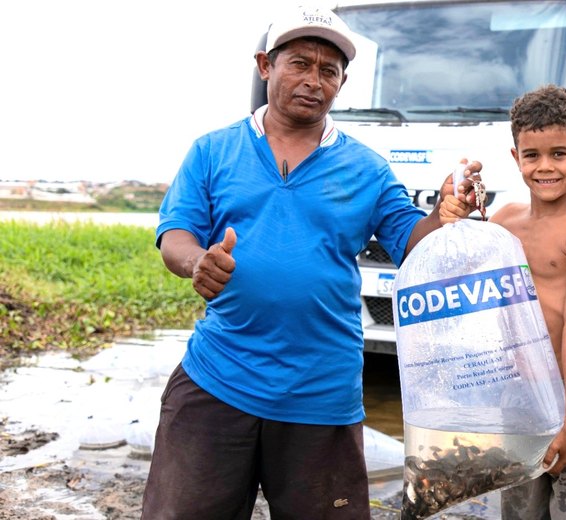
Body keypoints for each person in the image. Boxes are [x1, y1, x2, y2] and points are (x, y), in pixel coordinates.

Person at [141, 6, 483, 519]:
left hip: (321, 393)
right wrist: (196, 263)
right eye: (299, 64)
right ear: (265, 66)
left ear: (342, 83)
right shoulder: (213, 150)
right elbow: (176, 234)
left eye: (329, 71)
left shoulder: (366, 168)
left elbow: (413, 240)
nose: (313, 81)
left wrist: (445, 213)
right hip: (217, 381)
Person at [442, 84, 566, 519]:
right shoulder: (504, 222)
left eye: (560, 153)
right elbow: (459, 272)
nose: (545, 167)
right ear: (515, 157)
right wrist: (461, 213)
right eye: (532, 155)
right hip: (519, 396)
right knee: (520, 511)